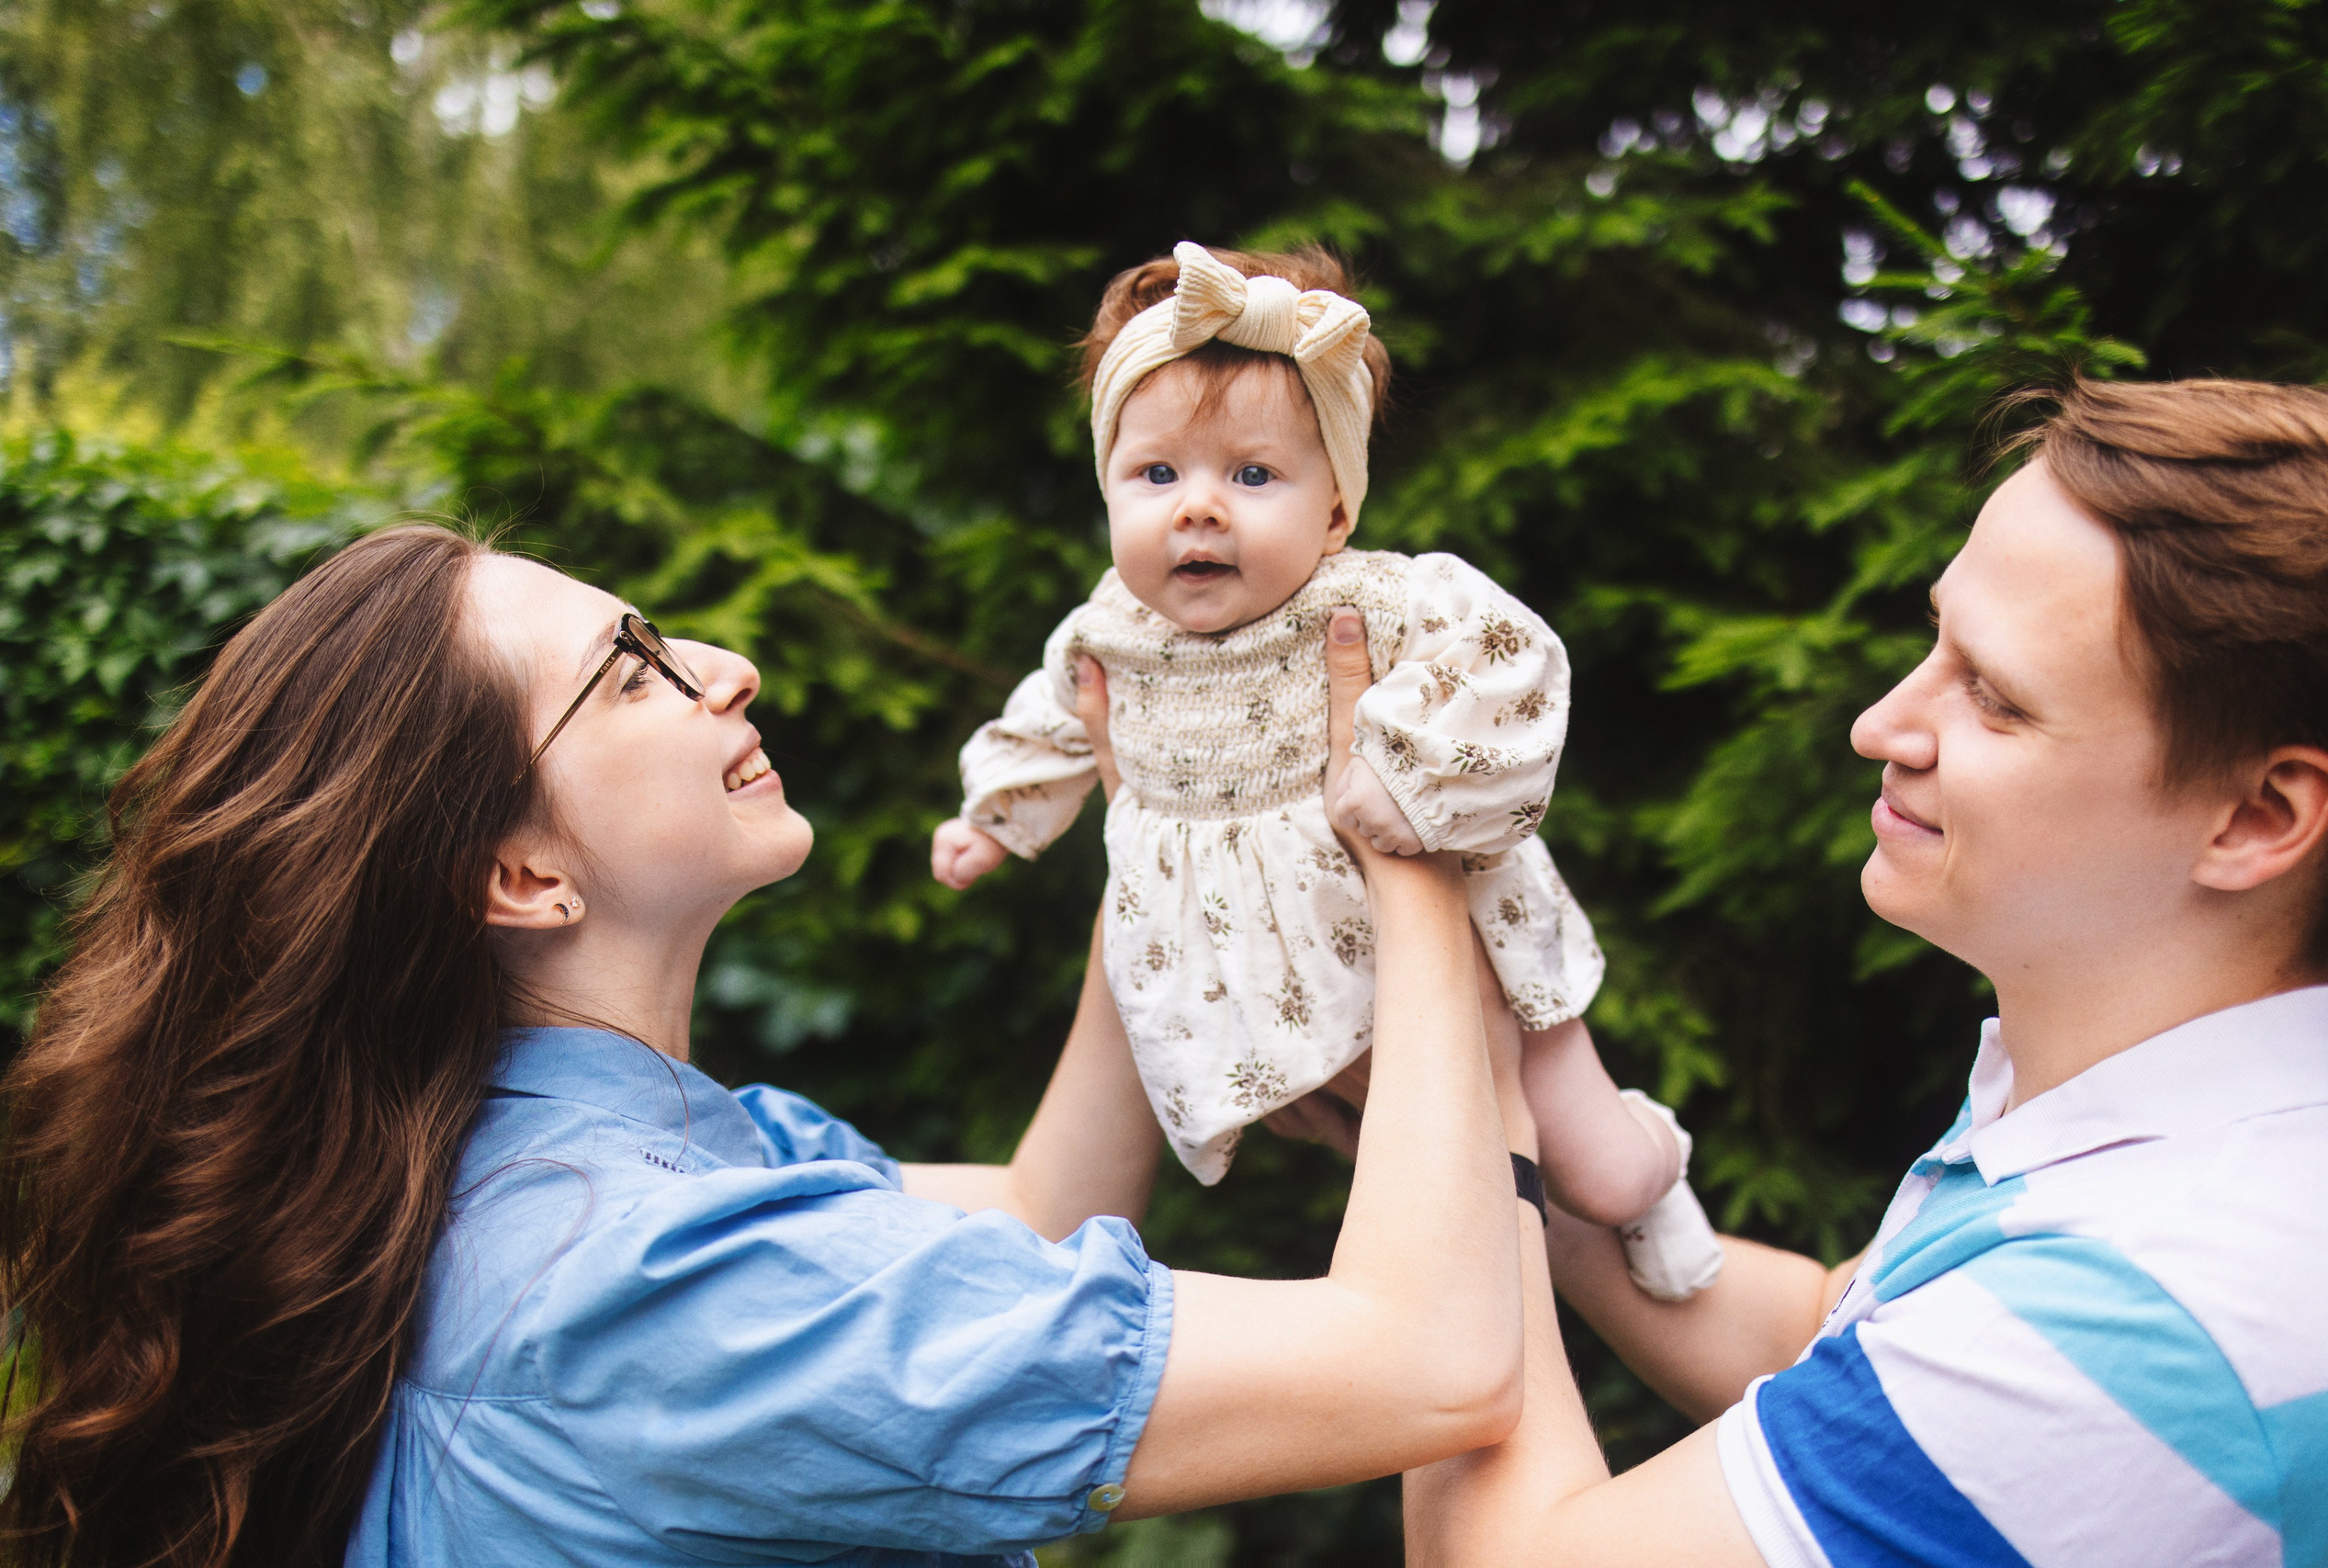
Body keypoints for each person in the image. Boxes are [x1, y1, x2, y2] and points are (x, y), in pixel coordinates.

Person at [0, 524, 1538, 1567]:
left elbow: (1036, 1211)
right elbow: (1428, 1360)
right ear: (520, 877)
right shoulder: (644, 1283)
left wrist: (1180, 825)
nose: (724, 663)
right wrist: (1408, 844)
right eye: (634, 669)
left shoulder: (594, 1165)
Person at [1402, 378, 2328, 1565]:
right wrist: (1543, 1163)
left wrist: (1455, 1097)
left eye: (1995, 698)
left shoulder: (2155, 1307)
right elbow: (1837, 1327)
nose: (1881, 721)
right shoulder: (2240, 1108)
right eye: (1935, 642)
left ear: (2259, 814)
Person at [931, 240, 1717, 1298]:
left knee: (1602, 1175)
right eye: (1156, 474)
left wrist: (1404, 774)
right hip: (1288, 980)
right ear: (1108, 489)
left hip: (1457, 946)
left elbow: (1512, 661)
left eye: (1253, 475)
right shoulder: (1108, 632)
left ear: (1335, 510)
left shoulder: (1371, 603)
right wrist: (994, 815)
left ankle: (1655, 1165)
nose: (1199, 508)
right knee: (1410, 1194)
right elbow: (1057, 720)